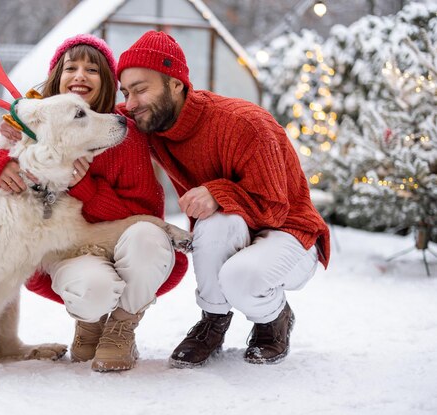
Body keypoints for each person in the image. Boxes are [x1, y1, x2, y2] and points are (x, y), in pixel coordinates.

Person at [0, 34, 188, 372]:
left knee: (146, 236)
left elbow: (139, 213)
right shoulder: (33, 122)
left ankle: (120, 329)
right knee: (92, 286)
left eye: (93, 70)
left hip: (122, 247)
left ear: (107, 82)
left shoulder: (123, 133)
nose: (80, 76)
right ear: (58, 77)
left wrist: (84, 186)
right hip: (74, 254)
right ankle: (89, 324)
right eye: (71, 67)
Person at [116, 31, 330, 367]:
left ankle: (275, 318)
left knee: (239, 277)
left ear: (176, 84)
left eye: (141, 89)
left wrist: (218, 192)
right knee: (214, 223)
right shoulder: (152, 120)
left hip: (290, 233)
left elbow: (275, 207)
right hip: (236, 228)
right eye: (126, 92)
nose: (131, 103)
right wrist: (25, 118)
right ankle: (213, 321)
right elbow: (94, 116)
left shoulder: (244, 123)